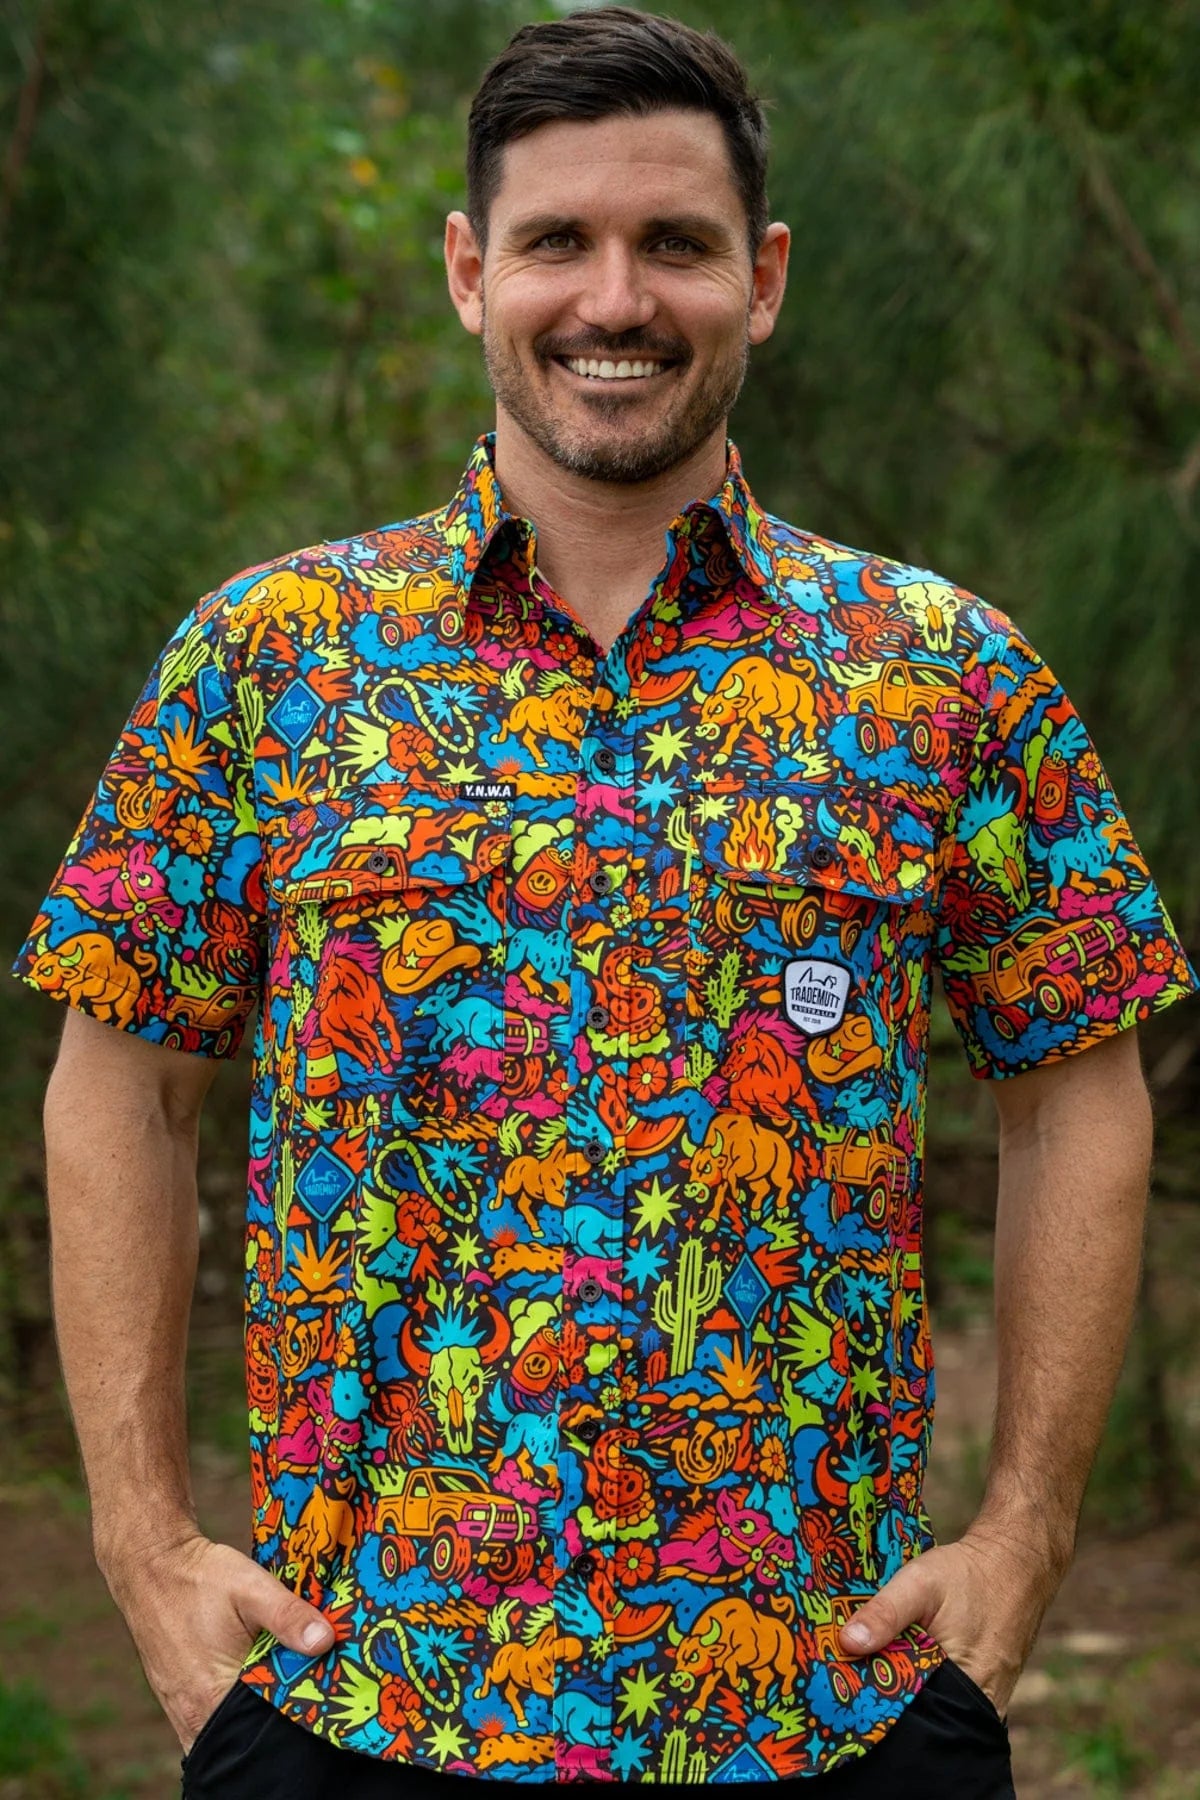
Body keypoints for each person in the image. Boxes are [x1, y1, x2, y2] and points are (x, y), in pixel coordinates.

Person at [13, 8, 1198, 1798]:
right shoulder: (269, 659)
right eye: (559, 239)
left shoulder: (942, 670)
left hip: (824, 1708)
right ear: (468, 270)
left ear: (764, 279)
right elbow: (122, 1085)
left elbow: (1079, 1086)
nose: (616, 299)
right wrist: (144, 1545)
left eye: (678, 244)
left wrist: (1026, 1532)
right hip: (363, 1701)